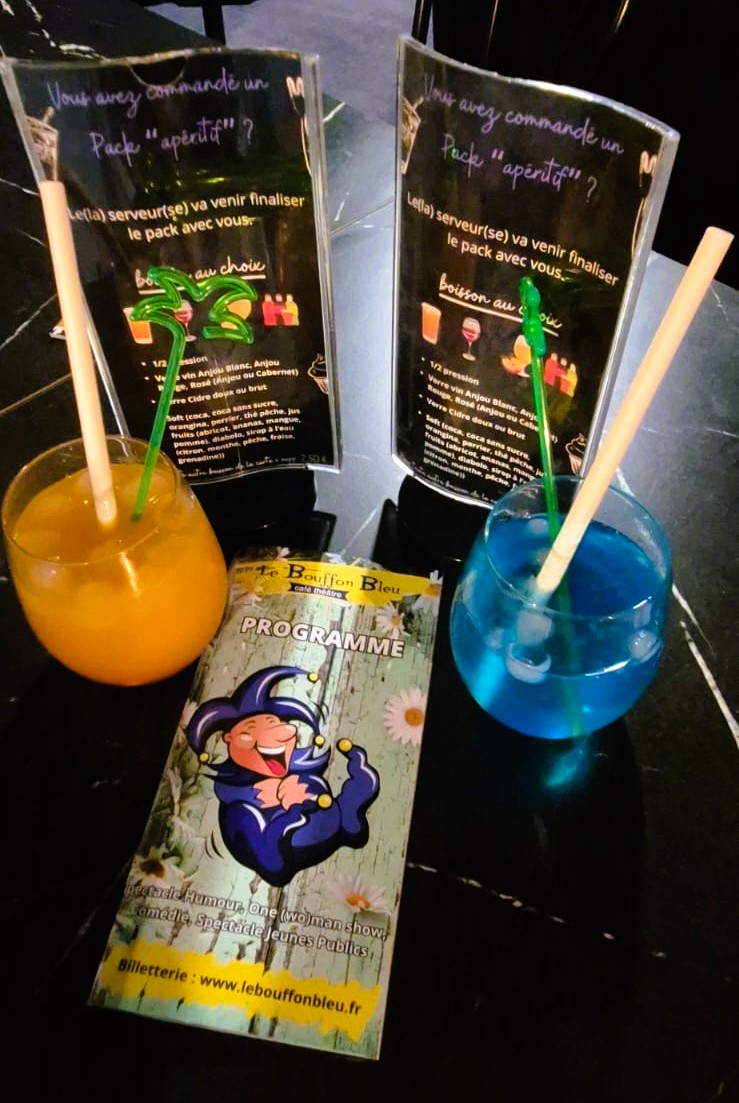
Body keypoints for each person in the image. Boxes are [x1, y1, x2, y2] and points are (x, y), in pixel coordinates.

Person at [185, 664, 380, 886]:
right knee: (256, 833)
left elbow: (317, 792)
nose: (286, 732)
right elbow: (266, 856)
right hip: (279, 848)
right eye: (250, 729)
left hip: (329, 824)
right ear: (229, 739)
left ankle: (349, 814)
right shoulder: (237, 801)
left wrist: (305, 791)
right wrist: (291, 814)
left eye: (275, 722)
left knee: (346, 799)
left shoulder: (297, 771)